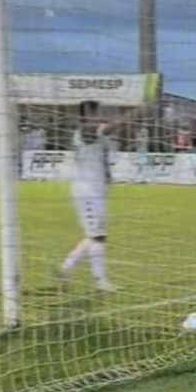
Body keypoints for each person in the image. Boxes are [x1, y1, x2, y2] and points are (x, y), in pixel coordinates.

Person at [60, 100, 115, 291]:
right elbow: (107, 129)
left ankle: (66, 268)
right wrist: (135, 112)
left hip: (97, 191)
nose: (102, 115)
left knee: (95, 235)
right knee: (98, 236)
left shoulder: (97, 133)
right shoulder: (85, 132)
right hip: (87, 193)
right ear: (88, 115)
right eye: (98, 112)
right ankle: (100, 281)